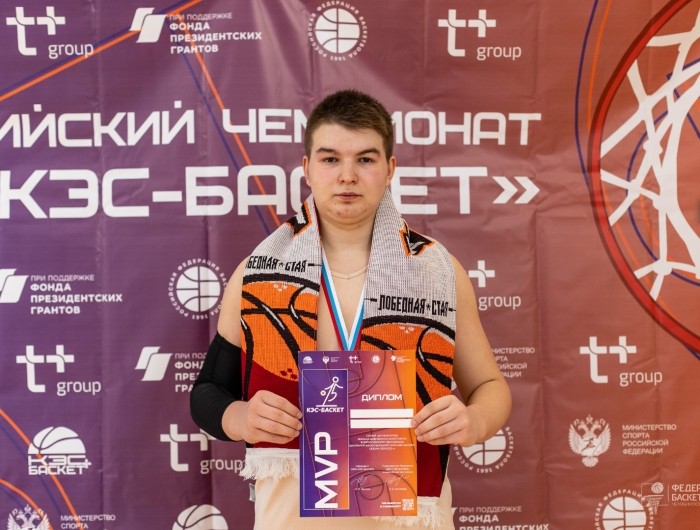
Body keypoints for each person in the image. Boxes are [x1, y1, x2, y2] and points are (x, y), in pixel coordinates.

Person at [190, 89, 511, 530]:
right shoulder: (257, 274)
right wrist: (239, 417)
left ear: (389, 169)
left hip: (408, 520)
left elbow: (491, 386)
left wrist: (473, 420)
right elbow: (207, 391)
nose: (347, 176)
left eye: (365, 159)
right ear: (307, 169)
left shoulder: (438, 271)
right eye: (330, 159)